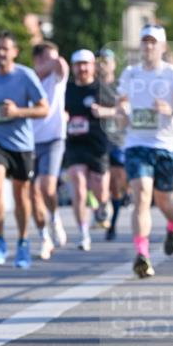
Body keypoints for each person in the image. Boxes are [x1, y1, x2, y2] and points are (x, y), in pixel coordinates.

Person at [117, 24, 173, 278]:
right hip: (136, 144)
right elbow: (121, 103)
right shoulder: (130, 74)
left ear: (162, 47)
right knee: (141, 196)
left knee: (164, 200)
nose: (149, 46)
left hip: (165, 146)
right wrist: (122, 113)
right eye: (145, 42)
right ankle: (142, 255)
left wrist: (171, 110)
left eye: (154, 42)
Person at [0, 30, 48, 268]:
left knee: (21, 195)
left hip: (21, 143)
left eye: (6, 49)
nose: (1, 53)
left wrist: (18, 112)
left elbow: (43, 109)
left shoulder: (25, 76)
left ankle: (24, 242)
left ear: (15, 52)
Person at [64, 49, 113, 252]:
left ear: (93, 66)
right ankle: (83, 233)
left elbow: (120, 110)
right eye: (78, 64)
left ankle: (103, 204)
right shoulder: (67, 89)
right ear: (73, 67)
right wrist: (64, 116)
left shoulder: (102, 88)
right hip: (75, 143)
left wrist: (104, 111)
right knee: (78, 183)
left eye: (86, 64)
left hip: (97, 144)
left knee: (99, 187)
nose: (82, 68)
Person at [30, 41, 68, 260]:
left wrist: (52, 63)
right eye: (48, 59)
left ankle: (54, 217)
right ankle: (44, 237)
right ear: (37, 60)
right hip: (30, 141)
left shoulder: (56, 79)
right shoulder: (27, 81)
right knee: (32, 192)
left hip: (54, 139)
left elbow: (62, 64)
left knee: (47, 186)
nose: (54, 62)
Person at [97, 46, 128, 240]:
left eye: (106, 61)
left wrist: (106, 112)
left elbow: (125, 108)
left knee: (116, 185)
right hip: (96, 140)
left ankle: (113, 223)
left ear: (114, 65)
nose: (103, 65)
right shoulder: (92, 86)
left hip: (117, 139)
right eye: (100, 61)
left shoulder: (120, 87)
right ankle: (101, 208)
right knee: (99, 181)